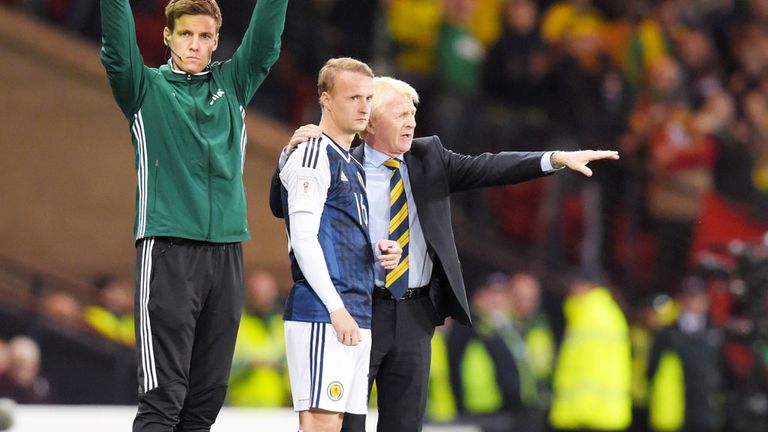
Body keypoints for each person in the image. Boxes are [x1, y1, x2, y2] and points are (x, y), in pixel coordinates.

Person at [271, 76, 619, 431]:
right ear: (371, 122)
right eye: (400, 113)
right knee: (349, 425)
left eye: (413, 114)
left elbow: (490, 166)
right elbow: (280, 205)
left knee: (406, 424)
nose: (411, 122)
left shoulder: (429, 158)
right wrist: (287, 156)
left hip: (414, 313)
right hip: (362, 309)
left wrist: (554, 158)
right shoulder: (341, 162)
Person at [98, 0, 288, 429]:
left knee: (204, 403)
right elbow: (116, 44)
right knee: (163, 399)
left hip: (226, 256)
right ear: (167, 37)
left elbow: (267, 38)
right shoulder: (143, 88)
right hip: (166, 252)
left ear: (217, 41)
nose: (195, 44)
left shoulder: (234, 85)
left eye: (204, 37)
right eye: (185, 34)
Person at [278, 58, 402, 432]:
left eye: (368, 97)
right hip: (324, 311)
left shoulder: (352, 162)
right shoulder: (314, 152)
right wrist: (336, 308)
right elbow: (303, 238)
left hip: (354, 311)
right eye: (353, 97)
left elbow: (338, 233)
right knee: (320, 425)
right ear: (326, 100)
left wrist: (377, 252)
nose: (364, 107)